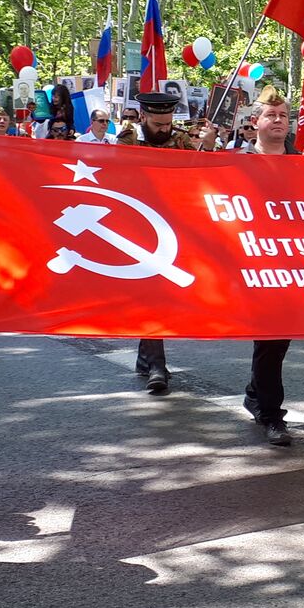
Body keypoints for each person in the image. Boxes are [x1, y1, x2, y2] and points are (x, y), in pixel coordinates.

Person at [117, 92, 193, 393]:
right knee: (151, 293)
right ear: (144, 117)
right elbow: (117, 174)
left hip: (175, 221)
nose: (164, 129)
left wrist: (207, 150)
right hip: (140, 221)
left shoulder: (182, 139)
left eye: (168, 124)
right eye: (158, 124)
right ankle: (157, 365)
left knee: (162, 294)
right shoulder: (127, 139)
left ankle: (145, 357)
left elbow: (196, 170)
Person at [241, 87, 299, 445]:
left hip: (294, 263)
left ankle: (255, 392)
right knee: (272, 337)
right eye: (270, 115)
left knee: (280, 338)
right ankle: (271, 413)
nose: (277, 121)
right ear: (255, 122)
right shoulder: (236, 162)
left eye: (282, 116)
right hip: (253, 262)